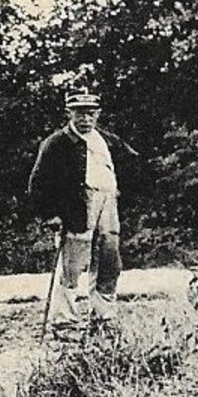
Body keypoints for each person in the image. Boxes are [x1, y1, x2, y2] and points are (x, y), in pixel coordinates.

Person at [28, 87, 137, 341]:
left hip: (107, 204)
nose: (85, 119)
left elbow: (134, 164)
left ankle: (103, 318)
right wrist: (50, 214)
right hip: (77, 208)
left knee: (109, 262)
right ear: (69, 114)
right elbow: (38, 183)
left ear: (98, 114)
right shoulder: (57, 143)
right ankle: (65, 322)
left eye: (90, 114)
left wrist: (124, 192)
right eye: (79, 113)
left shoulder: (107, 140)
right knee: (72, 266)